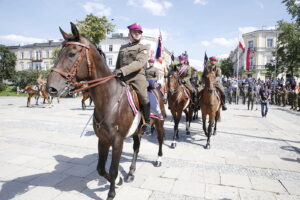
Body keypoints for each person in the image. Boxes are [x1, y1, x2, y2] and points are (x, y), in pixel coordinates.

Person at [113, 23, 151, 135]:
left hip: (137, 77)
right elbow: (118, 64)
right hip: (122, 77)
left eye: (139, 32)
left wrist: (122, 70)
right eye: (135, 32)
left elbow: (139, 63)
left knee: (144, 97)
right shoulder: (122, 48)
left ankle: (147, 123)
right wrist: (116, 72)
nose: (138, 34)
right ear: (129, 34)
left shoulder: (143, 48)